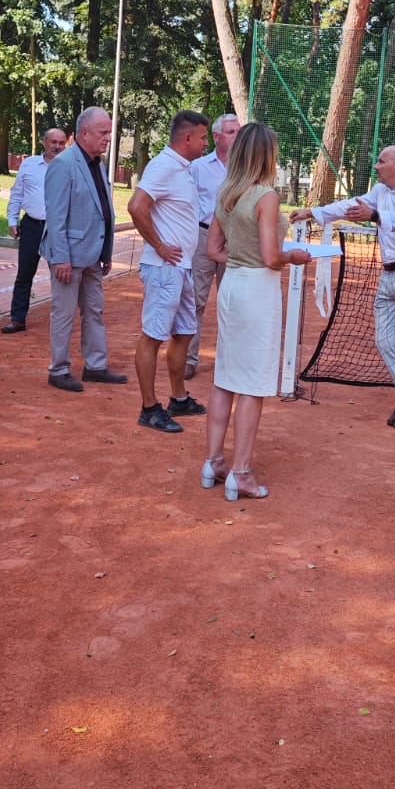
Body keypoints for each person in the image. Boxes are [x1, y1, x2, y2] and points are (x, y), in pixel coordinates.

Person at [293, 144, 395, 430]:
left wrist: (374, 216)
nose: (376, 166)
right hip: (389, 273)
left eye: (381, 162)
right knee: (385, 340)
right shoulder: (380, 191)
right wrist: (313, 211)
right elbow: (350, 206)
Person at [202, 122, 311, 501]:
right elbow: (271, 256)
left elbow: (213, 249)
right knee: (251, 383)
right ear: (266, 154)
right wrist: (293, 256)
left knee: (226, 376)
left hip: (232, 283)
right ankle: (241, 472)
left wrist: (242, 257)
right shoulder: (265, 196)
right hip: (257, 289)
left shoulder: (227, 192)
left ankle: (214, 461)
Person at [127, 109, 211, 433]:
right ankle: (149, 408)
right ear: (187, 138)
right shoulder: (163, 166)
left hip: (182, 268)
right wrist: (160, 245)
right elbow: (136, 206)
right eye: (203, 137)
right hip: (164, 268)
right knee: (153, 337)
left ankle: (179, 398)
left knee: (185, 332)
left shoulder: (184, 168)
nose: (206, 143)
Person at [40, 106, 127, 393]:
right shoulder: (63, 164)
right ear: (84, 133)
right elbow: (55, 217)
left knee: (94, 311)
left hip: (92, 254)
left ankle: (96, 366)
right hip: (69, 257)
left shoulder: (97, 164)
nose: (107, 139)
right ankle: (59, 369)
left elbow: (102, 209)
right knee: (64, 314)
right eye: (103, 133)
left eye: (109, 133)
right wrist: (61, 257)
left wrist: (106, 252)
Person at [185, 112, 240, 379]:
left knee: (231, 301)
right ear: (216, 137)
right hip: (203, 237)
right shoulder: (197, 167)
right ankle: (188, 360)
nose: (237, 136)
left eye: (239, 131)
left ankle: (229, 361)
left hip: (235, 240)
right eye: (231, 132)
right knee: (195, 300)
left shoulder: (247, 168)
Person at [1, 126, 70, 333]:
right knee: (24, 274)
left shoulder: (69, 167)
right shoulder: (29, 165)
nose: (57, 147)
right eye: (53, 142)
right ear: (44, 142)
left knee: (60, 275)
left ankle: (61, 321)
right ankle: (18, 318)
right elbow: (17, 193)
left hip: (58, 229)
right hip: (31, 225)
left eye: (61, 143)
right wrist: (12, 220)